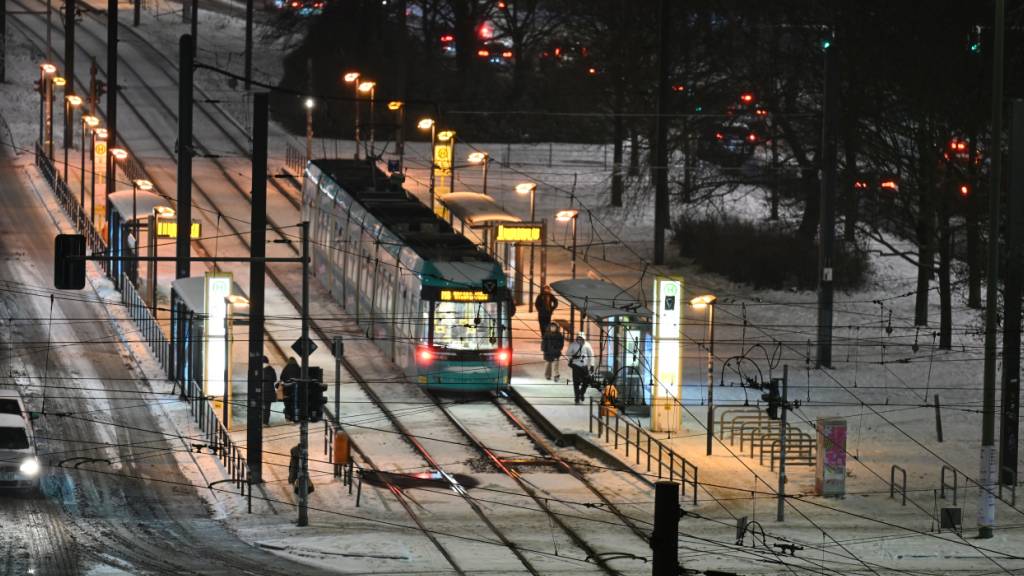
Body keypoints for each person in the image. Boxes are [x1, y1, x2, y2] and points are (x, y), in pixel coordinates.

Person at [566, 332, 594, 404]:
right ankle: (577, 398)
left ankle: (581, 393)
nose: (580, 340)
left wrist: (592, 365)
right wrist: (572, 356)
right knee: (576, 382)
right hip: (576, 366)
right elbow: (568, 353)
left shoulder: (587, 345)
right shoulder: (573, 345)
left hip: (584, 366)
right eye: (578, 338)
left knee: (587, 380)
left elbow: (591, 355)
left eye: (581, 339)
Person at [260, 356, 278, 427]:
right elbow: (275, 379)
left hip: (261, 391)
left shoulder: (260, 369)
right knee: (267, 408)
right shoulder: (271, 369)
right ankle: (265, 422)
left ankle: (260, 422)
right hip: (269, 390)